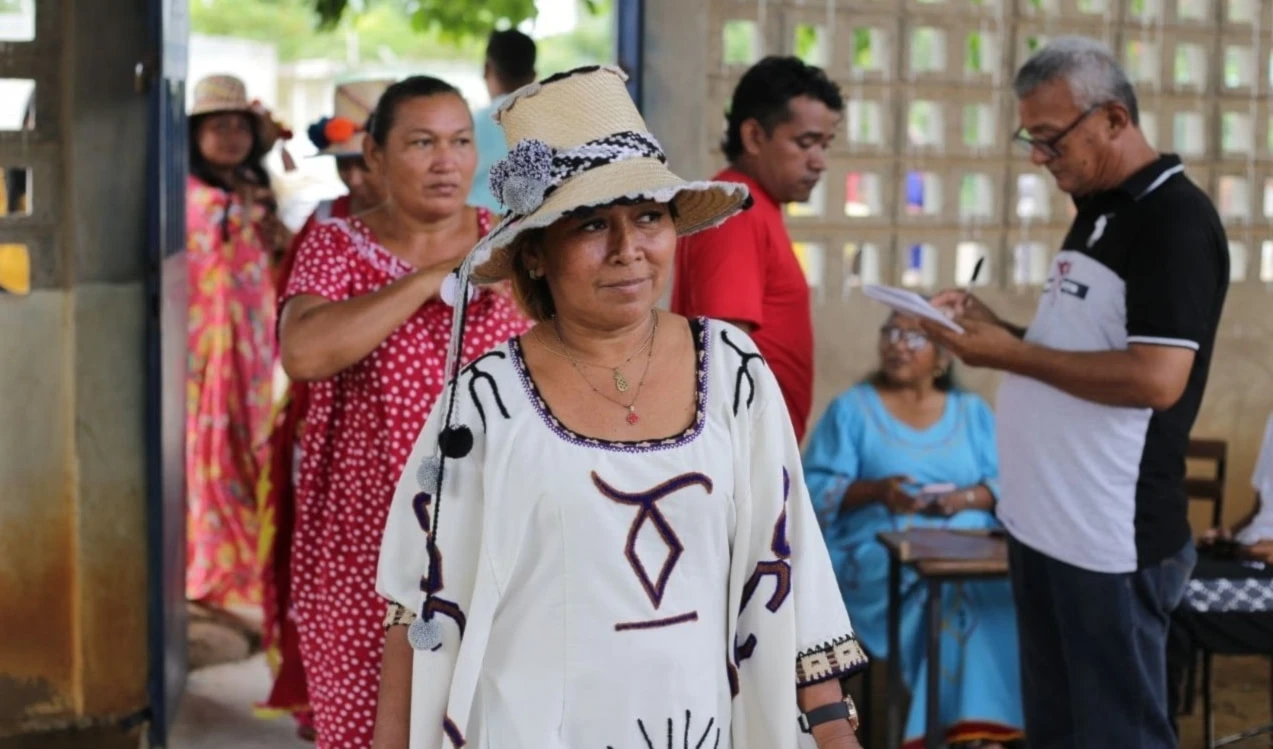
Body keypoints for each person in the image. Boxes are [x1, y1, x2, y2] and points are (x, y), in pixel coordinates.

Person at [373, 65, 867, 749]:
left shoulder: (730, 370)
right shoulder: (482, 404)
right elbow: (417, 603)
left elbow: (785, 560)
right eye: (590, 225)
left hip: (701, 723)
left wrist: (832, 729)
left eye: (647, 216)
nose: (628, 250)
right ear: (536, 254)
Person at [921, 37, 1229, 749]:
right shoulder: (1093, 208)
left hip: (1107, 537)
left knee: (1115, 733)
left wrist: (1011, 353)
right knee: (1057, 731)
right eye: (1029, 138)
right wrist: (994, 327)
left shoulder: (1171, 221)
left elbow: (1155, 378)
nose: (1038, 156)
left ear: (1113, 119)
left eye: (1050, 138)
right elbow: (1085, 349)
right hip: (1044, 524)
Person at [277, 76, 530, 749]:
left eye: (459, 142)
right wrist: (428, 281)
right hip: (359, 551)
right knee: (365, 734)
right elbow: (303, 351)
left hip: (495, 545)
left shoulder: (515, 250)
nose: (446, 161)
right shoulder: (336, 247)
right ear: (375, 154)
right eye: (421, 143)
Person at [803, 312, 1023, 749]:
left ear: (942, 353)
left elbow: (1011, 482)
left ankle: (979, 732)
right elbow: (814, 487)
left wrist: (965, 499)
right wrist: (878, 491)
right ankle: (954, 736)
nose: (897, 345)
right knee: (942, 596)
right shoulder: (852, 409)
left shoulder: (972, 412)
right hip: (880, 550)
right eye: (890, 333)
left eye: (913, 337)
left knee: (991, 595)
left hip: (970, 548)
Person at [257, 77, 393, 741]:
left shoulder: (464, 235)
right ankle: (325, 699)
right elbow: (299, 337)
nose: (358, 178)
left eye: (366, 161)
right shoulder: (327, 228)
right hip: (329, 431)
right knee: (332, 582)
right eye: (348, 164)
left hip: (425, 457)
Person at [670, 56, 843, 442]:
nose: (820, 162)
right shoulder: (738, 211)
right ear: (753, 137)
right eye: (806, 142)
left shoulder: (756, 205)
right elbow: (726, 352)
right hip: (744, 454)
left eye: (825, 145)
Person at [185, 74, 288, 613]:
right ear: (195, 135)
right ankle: (216, 565)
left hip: (251, 348)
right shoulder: (192, 196)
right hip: (205, 351)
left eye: (238, 126)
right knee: (211, 452)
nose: (229, 136)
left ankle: (248, 561)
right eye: (216, 126)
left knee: (250, 446)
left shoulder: (255, 191)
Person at [467, 28, 536, 213]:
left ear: (486, 69)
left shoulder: (468, 126)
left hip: (479, 231)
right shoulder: (554, 122)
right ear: (533, 75)